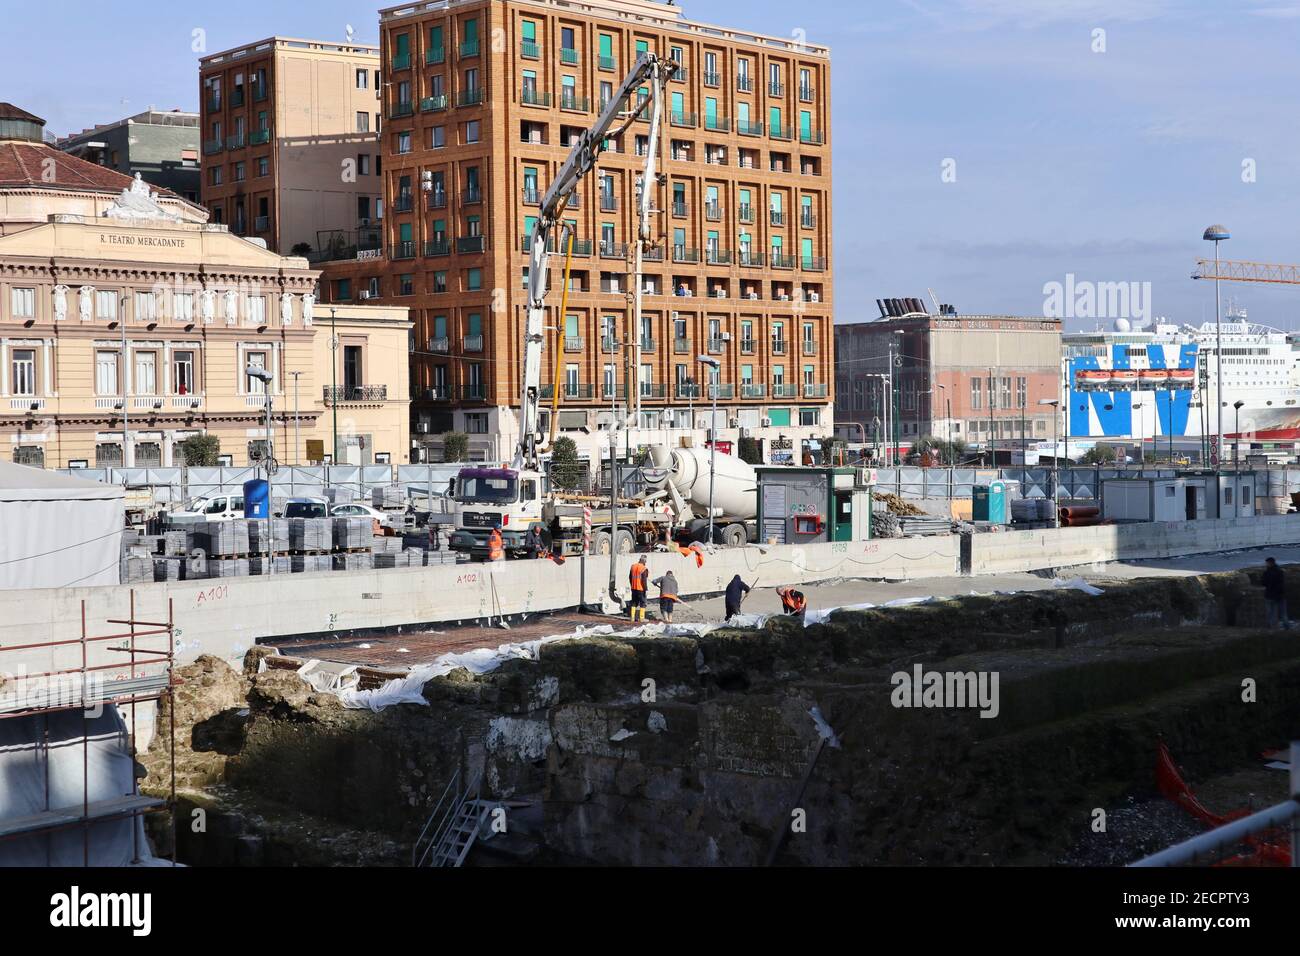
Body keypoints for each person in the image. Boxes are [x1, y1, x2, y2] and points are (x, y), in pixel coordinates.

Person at [1262, 557, 1289, 629]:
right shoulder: (1279, 571)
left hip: (1270, 595)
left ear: (1270, 563)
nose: (1266, 564)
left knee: (1271, 613)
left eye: (1267, 563)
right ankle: (1287, 627)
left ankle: (1273, 628)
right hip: (1280, 595)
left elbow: (1263, 583)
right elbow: (1281, 584)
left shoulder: (1266, 572)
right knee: (1283, 613)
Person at [629, 556, 650, 622]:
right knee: (642, 602)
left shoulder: (633, 566)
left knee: (634, 602)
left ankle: (632, 617)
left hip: (633, 588)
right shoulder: (643, 568)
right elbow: (644, 580)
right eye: (645, 561)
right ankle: (641, 618)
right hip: (641, 588)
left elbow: (630, 577)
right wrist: (645, 589)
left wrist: (632, 585)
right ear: (644, 561)